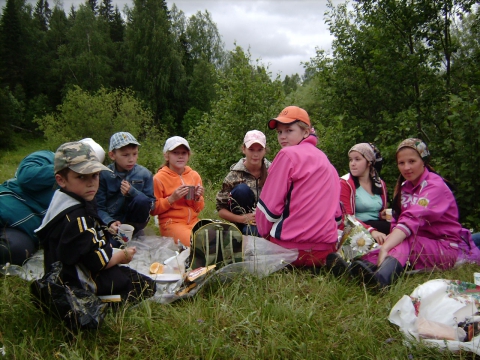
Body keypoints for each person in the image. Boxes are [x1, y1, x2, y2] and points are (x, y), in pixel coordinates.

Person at [35, 141, 155, 302]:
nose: (91, 182)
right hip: (79, 281)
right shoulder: (77, 218)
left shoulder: (62, 200)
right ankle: (104, 301)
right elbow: (96, 262)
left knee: (128, 272)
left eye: (95, 175)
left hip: (68, 270)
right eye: (81, 177)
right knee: (145, 285)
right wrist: (123, 255)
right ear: (61, 180)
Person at [349, 138, 468, 289]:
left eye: (412, 161)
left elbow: (412, 218)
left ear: (423, 161)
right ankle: (357, 268)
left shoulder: (434, 186)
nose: (406, 167)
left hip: (444, 248)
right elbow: (397, 220)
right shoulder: (405, 186)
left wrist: (387, 247)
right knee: (388, 243)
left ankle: (382, 279)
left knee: (402, 241)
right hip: (420, 244)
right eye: (401, 163)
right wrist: (386, 242)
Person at [256, 106, 342, 267]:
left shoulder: (287, 155)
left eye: (289, 130)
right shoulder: (327, 162)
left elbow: (269, 210)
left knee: (249, 234)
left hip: (290, 250)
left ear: (306, 132)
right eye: (279, 132)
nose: (282, 137)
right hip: (325, 250)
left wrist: (264, 236)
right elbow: (337, 216)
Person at [96, 132, 155, 245]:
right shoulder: (104, 175)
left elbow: (151, 204)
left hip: (135, 220)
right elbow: (99, 206)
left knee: (141, 199)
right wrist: (109, 222)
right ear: (112, 155)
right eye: (125, 155)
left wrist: (133, 192)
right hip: (114, 221)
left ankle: (136, 231)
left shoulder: (144, 174)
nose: (131, 159)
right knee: (114, 246)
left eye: (134, 154)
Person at [0, 150, 56, 266]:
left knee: (16, 251)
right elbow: (26, 176)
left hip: (24, 229)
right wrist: (65, 170)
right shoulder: (48, 156)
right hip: (6, 204)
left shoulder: (94, 187)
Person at [151, 136, 205, 247]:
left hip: (194, 221)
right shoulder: (159, 178)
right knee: (196, 243)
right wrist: (171, 199)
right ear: (166, 155)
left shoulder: (194, 175)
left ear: (188, 155)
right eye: (175, 152)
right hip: (171, 224)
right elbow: (153, 210)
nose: (180, 156)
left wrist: (197, 198)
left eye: (184, 153)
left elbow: (198, 208)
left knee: (215, 237)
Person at [216, 130, 271, 235]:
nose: (255, 154)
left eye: (259, 150)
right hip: (243, 222)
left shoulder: (273, 171)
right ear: (244, 149)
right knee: (242, 190)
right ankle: (239, 233)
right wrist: (242, 219)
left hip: (269, 220)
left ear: (265, 151)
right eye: (251, 150)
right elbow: (221, 209)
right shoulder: (233, 176)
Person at [340, 143, 389, 243]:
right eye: (350, 160)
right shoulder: (345, 183)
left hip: (378, 225)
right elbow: (347, 218)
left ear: (369, 162)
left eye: (357, 159)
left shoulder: (380, 184)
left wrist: (382, 214)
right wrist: (371, 231)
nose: (352, 163)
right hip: (356, 229)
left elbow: (379, 212)